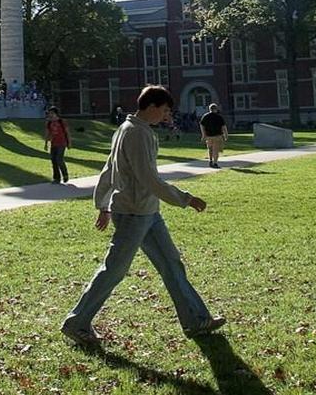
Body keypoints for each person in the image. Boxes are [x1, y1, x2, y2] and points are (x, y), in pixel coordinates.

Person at [62, 85, 225, 346]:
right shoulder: (136, 133)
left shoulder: (129, 130)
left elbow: (109, 170)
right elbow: (148, 178)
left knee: (171, 264)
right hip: (134, 212)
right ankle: (76, 323)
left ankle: (196, 320)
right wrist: (186, 198)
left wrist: (103, 204)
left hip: (147, 211)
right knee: (114, 270)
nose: (166, 116)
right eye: (164, 110)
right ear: (151, 106)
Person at [44, 106, 71, 184]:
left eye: (52, 113)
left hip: (62, 143)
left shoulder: (62, 122)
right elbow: (47, 133)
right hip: (53, 144)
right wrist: (46, 143)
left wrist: (69, 143)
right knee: (53, 161)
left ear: (56, 114)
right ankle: (56, 178)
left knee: (59, 159)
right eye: (49, 114)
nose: (50, 115)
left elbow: (67, 132)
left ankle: (65, 175)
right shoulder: (49, 123)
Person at [199, 103, 227, 169]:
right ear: (216, 109)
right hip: (217, 136)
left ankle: (211, 160)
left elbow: (201, 125)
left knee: (210, 149)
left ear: (209, 109)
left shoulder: (205, 116)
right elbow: (224, 127)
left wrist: (203, 134)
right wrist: (226, 135)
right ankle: (215, 163)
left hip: (208, 136)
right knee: (216, 150)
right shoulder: (219, 117)